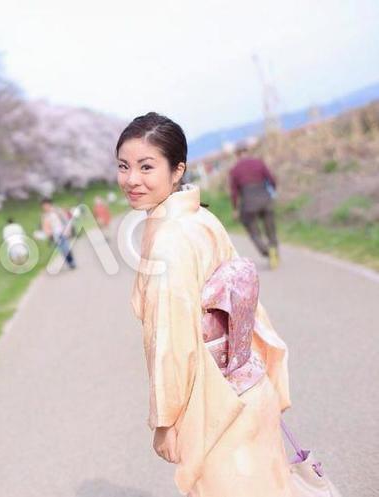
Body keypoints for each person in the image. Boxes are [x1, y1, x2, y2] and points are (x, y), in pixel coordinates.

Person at [117, 112, 293, 497]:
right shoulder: (201, 218)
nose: (131, 179)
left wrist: (165, 420)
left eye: (146, 166)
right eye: (123, 166)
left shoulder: (168, 241)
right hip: (247, 385)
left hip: (217, 404)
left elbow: (171, 342)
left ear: (177, 170)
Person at [229, 144, 280, 269]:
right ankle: (273, 249)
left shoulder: (235, 169)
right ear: (247, 151)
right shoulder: (258, 163)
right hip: (265, 199)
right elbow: (272, 179)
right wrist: (272, 191)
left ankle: (265, 250)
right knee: (270, 229)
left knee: (253, 231)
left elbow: (234, 192)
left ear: (237, 155)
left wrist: (235, 208)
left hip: (248, 203)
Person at [40, 198, 76, 270]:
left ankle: (72, 262)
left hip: (62, 232)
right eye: (43, 206)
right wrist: (48, 235)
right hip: (54, 235)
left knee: (66, 248)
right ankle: (69, 262)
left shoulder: (57, 211)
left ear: (49, 204)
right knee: (62, 250)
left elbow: (66, 220)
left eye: (45, 205)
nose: (45, 207)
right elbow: (45, 227)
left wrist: (68, 230)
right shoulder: (45, 215)